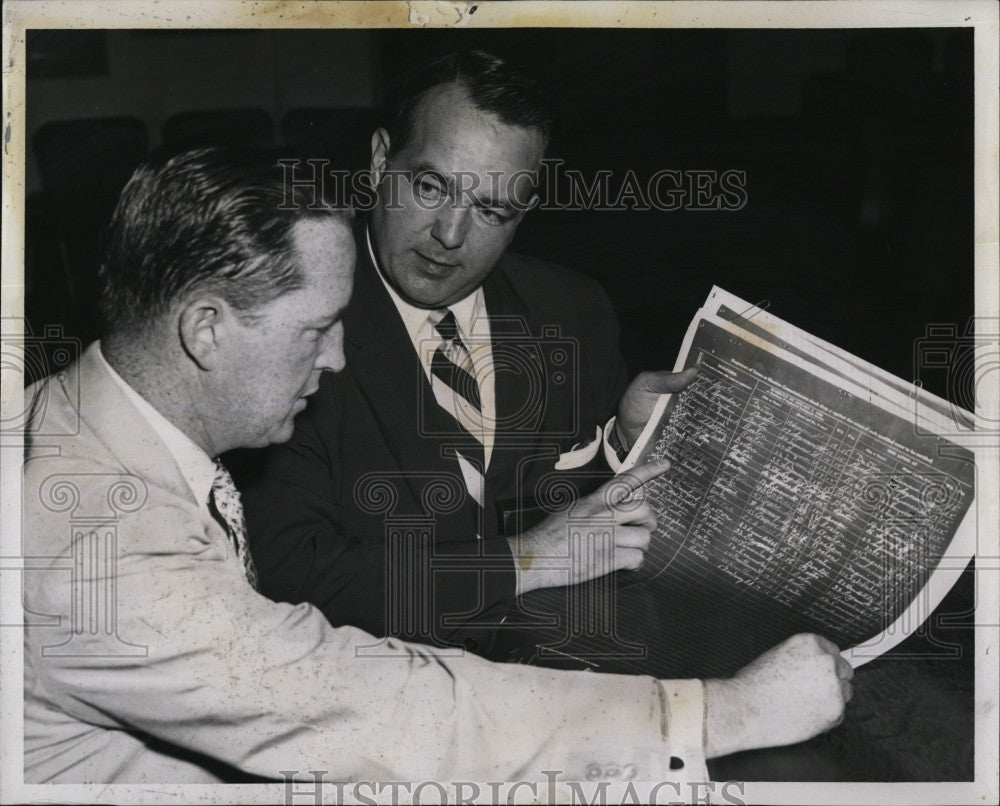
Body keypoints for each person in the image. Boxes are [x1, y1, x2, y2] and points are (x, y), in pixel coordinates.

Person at [22, 147, 852, 784]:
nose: (341, 357)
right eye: (317, 329)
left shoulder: (63, 421)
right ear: (206, 329)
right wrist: (724, 713)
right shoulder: (104, 557)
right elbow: (389, 715)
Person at [236, 50, 697, 653]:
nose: (450, 236)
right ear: (379, 162)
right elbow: (294, 577)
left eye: (491, 210)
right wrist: (526, 561)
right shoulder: (290, 321)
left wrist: (621, 440)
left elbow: (581, 518)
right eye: (431, 186)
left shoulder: (573, 310)